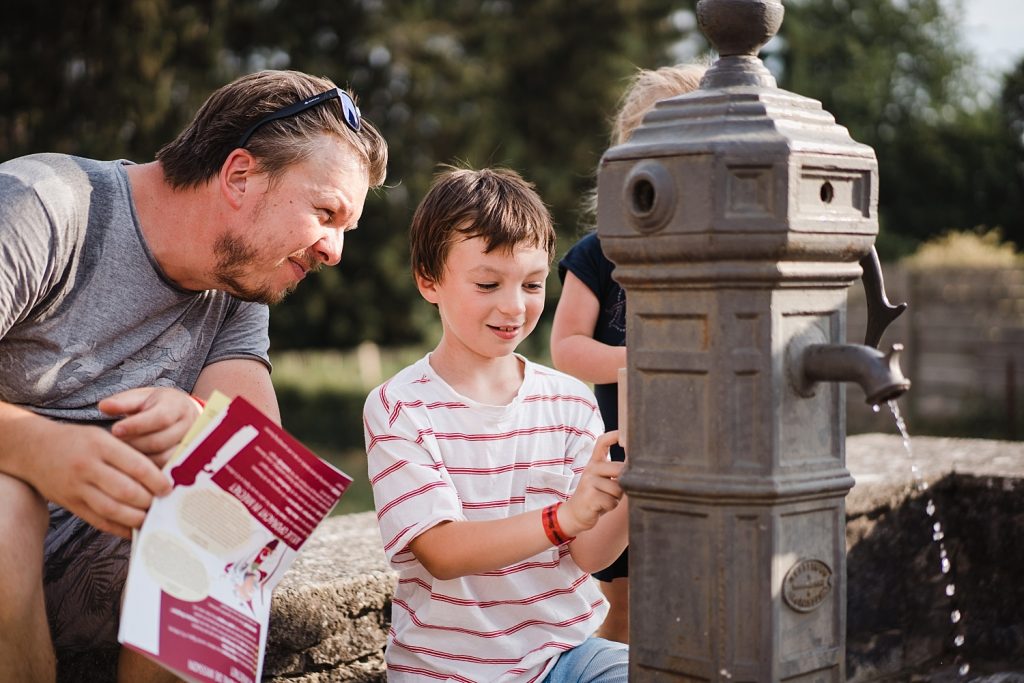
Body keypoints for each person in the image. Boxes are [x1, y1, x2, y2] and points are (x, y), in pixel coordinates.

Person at [0, 69, 388, 682]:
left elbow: (260, 472)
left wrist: (201, 430)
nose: (335, 251)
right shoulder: (45, 204)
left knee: (225, 499)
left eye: (346, 229)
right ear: (240, 175)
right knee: (6, 501)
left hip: (98, 586)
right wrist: (38, 447)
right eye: (325, 213)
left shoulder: (237, 289)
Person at [363, 167, 629, 682]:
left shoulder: (571, 400)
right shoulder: (398, 406)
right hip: (448, 672)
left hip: (567, 657)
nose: (514, 306)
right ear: (428, 280)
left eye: (532, 284)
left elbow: (591, 554)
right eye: (488, 283)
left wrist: (638, 480)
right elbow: (442, 551)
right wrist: (564, 518)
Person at [549, 62, 708, 644]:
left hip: (702, 456)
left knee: (696, 597)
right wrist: (638, 365)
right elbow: (565, 347)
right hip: (624, 454)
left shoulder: (714, 259)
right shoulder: (598, 254)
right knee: (625, 601)